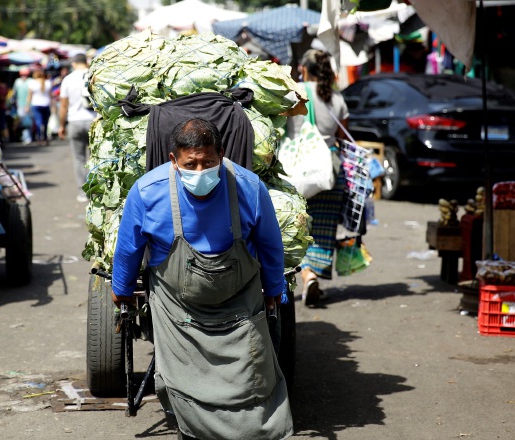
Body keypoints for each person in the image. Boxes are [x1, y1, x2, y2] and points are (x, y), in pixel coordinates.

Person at [111, 118, 293, 440]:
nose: (199, 171)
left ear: (221, 154)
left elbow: (270, 243)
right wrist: (122, 289)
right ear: (173, 161)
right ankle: (194, 430)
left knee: (253, 378)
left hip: (240, 301)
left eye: (208, 162)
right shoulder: (147, 191)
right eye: (190, 164)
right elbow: (128, 247)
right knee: (184, 380)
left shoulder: (249, 188)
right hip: (176, 306)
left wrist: (275, 288)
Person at [286, 49, 350, 307]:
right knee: (322, 231)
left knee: (298, 228)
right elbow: (343, 136)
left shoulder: (294, 91)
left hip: (299, 170)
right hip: (331, 171)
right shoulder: (336, 97)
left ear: (303, 69)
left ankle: (307, 274)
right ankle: (314, 277)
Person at [58, 53, 96, 203]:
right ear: (86, 62)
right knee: (95, 158)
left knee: (79, 159)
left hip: (74, 121)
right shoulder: (93, 75)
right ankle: (97, 190)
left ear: (73, 63)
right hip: (94, 121)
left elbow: (63, 105)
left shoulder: (67, 79)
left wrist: (62, 125)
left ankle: (82, 192)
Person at [26, 68, 52, 146]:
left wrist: (27, 105)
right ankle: (45, 138)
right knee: (45, 123)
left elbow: (30, 95)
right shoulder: (48, 82)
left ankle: (39, 138)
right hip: (46, 104)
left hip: (36, 104)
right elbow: (51, 95)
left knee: (38, 122)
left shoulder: (32, 83)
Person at [12, 67, 33, 144]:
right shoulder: (17, 82)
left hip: (30, 104)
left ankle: (28, 137)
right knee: (23, 121)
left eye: (25, 74)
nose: (24, 76)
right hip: (20, 105)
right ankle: (26, 137)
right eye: (22, 74)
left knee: (28, 121)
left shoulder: (30, 81)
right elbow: (14, 93)